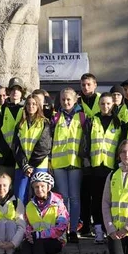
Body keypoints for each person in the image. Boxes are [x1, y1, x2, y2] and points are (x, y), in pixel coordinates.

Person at [17, 170, 69, 254]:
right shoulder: (29, 205)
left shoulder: (58, 203)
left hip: (55, 241)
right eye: (36, 187)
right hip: (36, 239)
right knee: (26, 245)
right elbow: (28, 224)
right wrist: (28, 235)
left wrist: (39, 235)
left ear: (48, 187)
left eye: (42, 186)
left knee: (38, 243)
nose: (39, 189)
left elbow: (61, 227)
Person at [83, 93, 121, 244]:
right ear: (99, 105)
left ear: (113, 105)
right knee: (97, 200)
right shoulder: (93, 120)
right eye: (103, 103)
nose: (105, 106)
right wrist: (87, 162)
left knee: (111, 200)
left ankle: (110, 229)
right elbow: (86, 142)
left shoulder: (119, 122)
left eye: (108, 104)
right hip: (96, 167)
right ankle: (98, 230)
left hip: (112, 168)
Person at [50, 88, 87, 242]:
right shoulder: (56, 117)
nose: (66, 102)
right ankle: (63, 228)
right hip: (58, 163)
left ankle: (73, 230)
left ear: (75, 100)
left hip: (75, 162)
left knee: (74, 198)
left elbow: (86, 139)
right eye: (63, 99)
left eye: (69, 100)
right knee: (63, 198)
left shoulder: (82, 117)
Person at [12, 93, 53, 203]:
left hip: (39, 165)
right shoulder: (20, 124)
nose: (31, 106)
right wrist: (24, 164)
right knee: (20, 196)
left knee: (40, 196)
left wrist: (31, 164)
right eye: (28, 104)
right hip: (22, 165)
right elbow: (16, 146)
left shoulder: (44, 123)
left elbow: (44, 146)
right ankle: (21, 220)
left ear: (39, 106)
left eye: (34, 104)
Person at [0, 78, 26, 180]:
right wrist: (7, 152)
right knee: (4, 189)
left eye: (18, 89)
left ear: (22, 92)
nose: (15, 92)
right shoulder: (1, 110)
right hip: (5, 158)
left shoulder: (27, 109)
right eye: (12, 89)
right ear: (8, 92)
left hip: (22, 157)